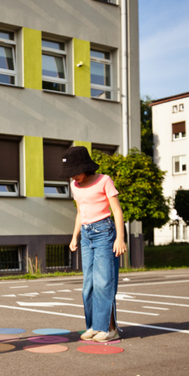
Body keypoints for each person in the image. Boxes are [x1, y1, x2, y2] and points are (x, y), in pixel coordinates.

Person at [65, 146, 126, 342]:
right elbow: (80, 213)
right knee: (88, 284)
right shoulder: (75, 185)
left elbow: (117, 210)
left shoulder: (104, 180)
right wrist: (75, 237)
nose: (73, 177)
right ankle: (93, 326)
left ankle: (109, 328)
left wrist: (120, 238)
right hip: (86, 234)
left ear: (86, 167)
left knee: (103, 281)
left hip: (104, 233)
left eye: (75, 172)